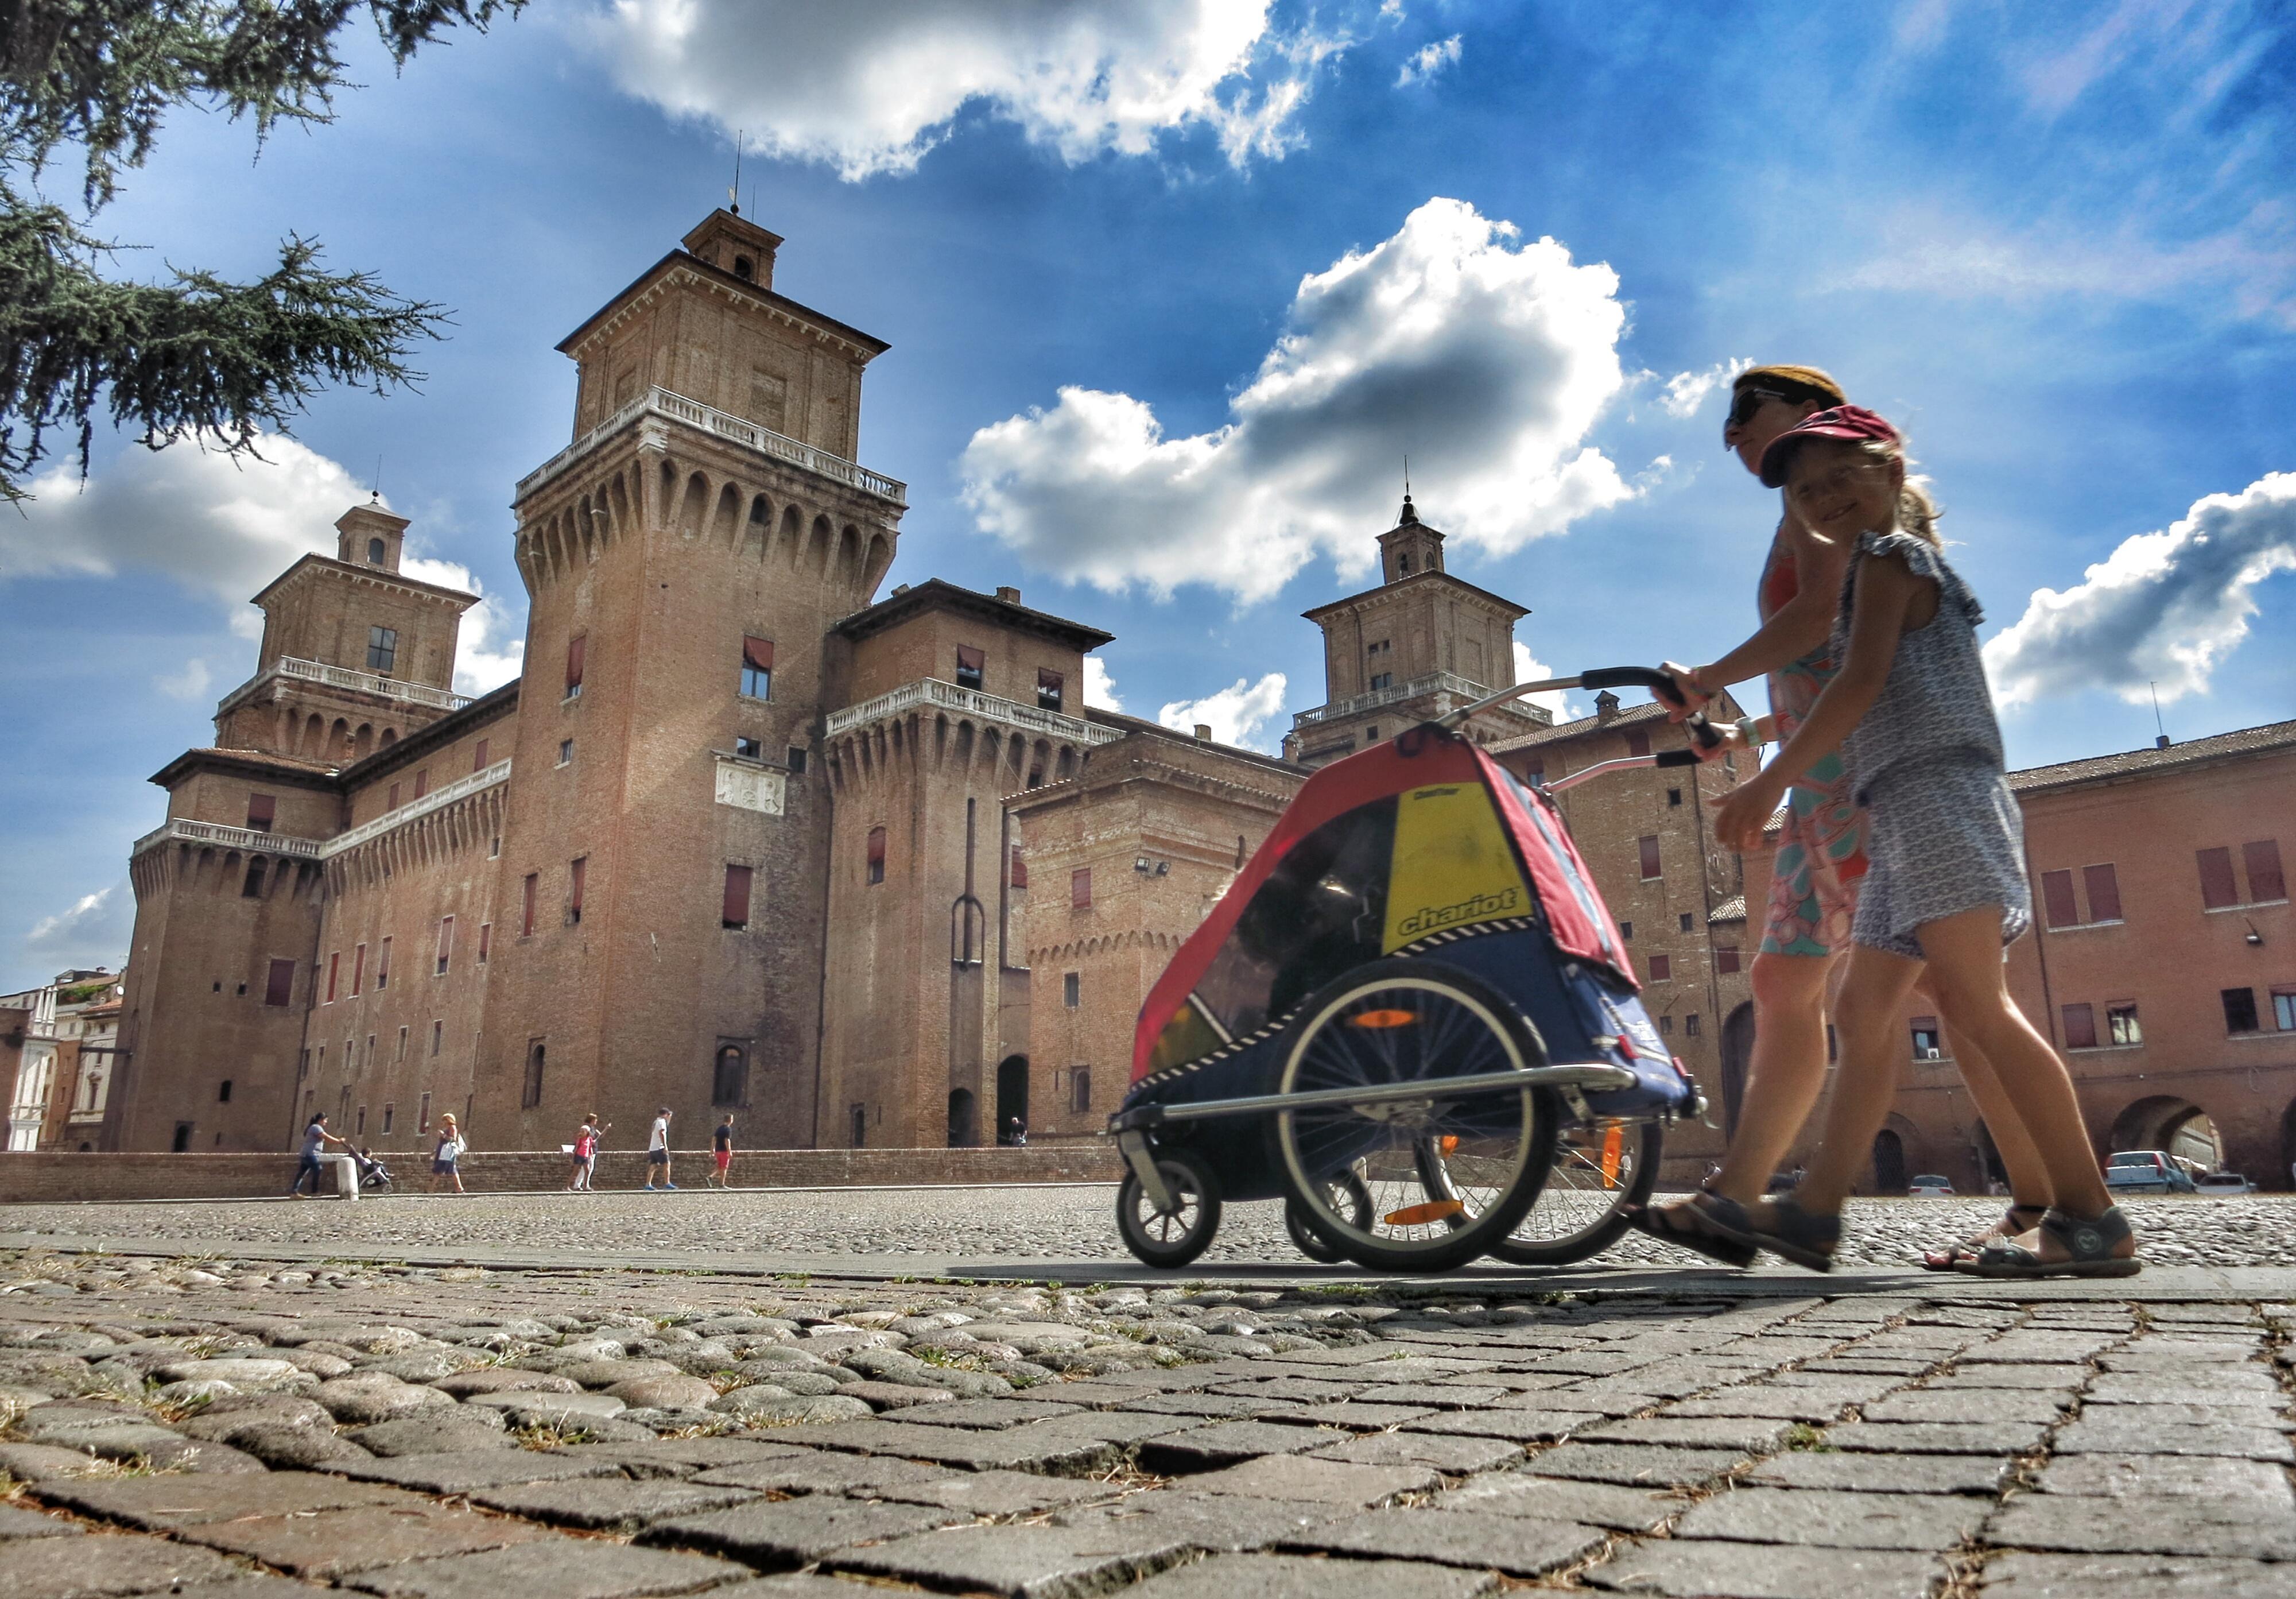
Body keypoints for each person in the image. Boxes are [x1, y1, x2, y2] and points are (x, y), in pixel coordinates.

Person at [1638, 363, 2054, 1273]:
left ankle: (2047, 1198)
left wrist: (1711, 678)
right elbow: (1816, 658)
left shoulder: (1828, 514)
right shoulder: (1814, 500)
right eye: (1731, 421)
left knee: (1948, 992)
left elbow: (1824, 625)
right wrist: (1742, 731)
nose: (1734, 430)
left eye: (1750, 409)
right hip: (1828, 779)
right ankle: (1743, 1195)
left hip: (1860, 775)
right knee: (1796, 985)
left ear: (1812, 412)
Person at [1707, 405, 2136, 1279]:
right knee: (1862, 1013)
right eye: (1804, 492)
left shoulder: (1891, 561)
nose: (1823, 500)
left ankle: (2091, 1217)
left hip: (1937, 795)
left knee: (1980, 1009)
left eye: (1840, 479)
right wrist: (1760, 743)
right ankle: (1815, 1212)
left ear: (1892, 476)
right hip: (1900, 807)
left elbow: (1858, 684)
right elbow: (1862, 690)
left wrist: (1765, 783)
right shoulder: (1877, 570)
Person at [288, 1112, 348, 1198]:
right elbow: (326, 1137)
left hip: (306, 1154)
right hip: (310, 1154)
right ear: (320, 1120)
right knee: (318, 1169)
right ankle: (314, 1191)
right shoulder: (316, 1128)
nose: (326, 1122)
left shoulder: (313, 1127)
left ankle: (294, 1192)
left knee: (301, 1174)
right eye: (325, 1120)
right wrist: (339, 1141)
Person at [568, 1114, 607, 1191]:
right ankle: (581, 1185)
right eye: (595, 1120)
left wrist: (606, 1129)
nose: (596, 1121)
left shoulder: (593, 1129)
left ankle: (580, 1185)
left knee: (587, 1169)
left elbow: (600, 1137)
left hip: (591, 1151)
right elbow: (588, 1140)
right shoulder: (587, 1129)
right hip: (587, 1152)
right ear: (592, 1120)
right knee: (586, 1169)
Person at [432, 1113, 467, 1194]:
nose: (443, 1122)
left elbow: (453, 1140)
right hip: (444, 1153)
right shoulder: (448, 1128)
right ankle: (459, 1188)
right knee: (443, 1170)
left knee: (444, 1170)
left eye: (444, 1120)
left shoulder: (452, 1128)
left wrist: (443, 1135)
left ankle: (431, 1188)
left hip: (448, 1153)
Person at [643, 1105, 676, 1190]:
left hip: (653, 1148)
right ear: (665, 1114)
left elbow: (666, 1126)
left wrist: (670, 1116)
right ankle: (667, 1183)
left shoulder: (656, 1122)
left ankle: (648, 1184)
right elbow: (662, 1133)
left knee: (653, 1166)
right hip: (659, 1148)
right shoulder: (662, 1122)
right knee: (667, 1164)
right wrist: (665, 1146)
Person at [709, 1114, 735, 1188]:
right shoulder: (728, 1129)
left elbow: (714, 1138)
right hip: (724, 1151)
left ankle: (710, 1177)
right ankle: (722, 1185)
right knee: (724, 1168)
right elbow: (727, 1140)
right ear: (730, 1120)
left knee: (720, 1166)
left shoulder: (719, 1128)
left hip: (718, 1150)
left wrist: (712, 1150)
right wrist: (729, 1151)